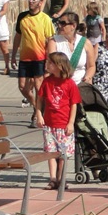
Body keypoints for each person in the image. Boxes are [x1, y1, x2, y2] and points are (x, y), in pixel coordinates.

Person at [35, 51, 80, 190]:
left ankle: (61, 178)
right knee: (50, 152)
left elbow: (74, 104)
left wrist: (71, 122)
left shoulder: (69, 83)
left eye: (50, 63)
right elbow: (39, 100)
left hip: (64, 124)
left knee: (63, 154)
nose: (47, 65)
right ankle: (53, 178)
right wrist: (39, 114)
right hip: (49, 124)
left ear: (59, 66)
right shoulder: (47, 81)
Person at [11, 0, 55, 125]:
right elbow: (18, 37)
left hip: (40, 57)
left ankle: (38, 114)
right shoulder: (22, 17)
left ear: (40, 3)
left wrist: (49, 60)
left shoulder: (45, 19)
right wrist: (13, 55)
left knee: (38, 86)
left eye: (34, 0)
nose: (30, 2)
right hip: (25, 58)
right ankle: (38, 108)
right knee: (23, 87)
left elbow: (50, 40)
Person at [47, 12, 96, 86]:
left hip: (80, 86)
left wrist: (87, 77)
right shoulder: (54, 42)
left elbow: (91, 66)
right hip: (61, 86)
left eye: (63, 23)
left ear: (73, 26)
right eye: (58, 22)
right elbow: (51, 65)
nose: (59, 26)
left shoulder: (85, 43)